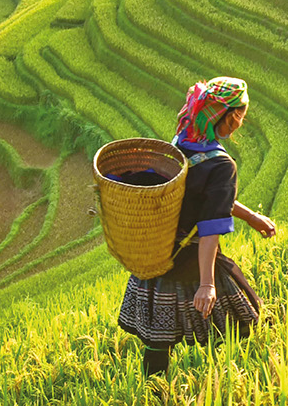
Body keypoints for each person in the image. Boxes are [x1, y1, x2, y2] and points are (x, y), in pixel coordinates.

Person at [116, 76, 277, 377]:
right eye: (241, 115)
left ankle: (154, 390)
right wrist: (207, 283)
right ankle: (239, 377)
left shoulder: (181, 143)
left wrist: (252, 218)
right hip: (191, 257)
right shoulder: (221, 165)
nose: (242, 122)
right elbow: (209, 226)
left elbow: (205, 198)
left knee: (157, 336)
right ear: (228, 117)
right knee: (244, 317)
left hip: (157, 250)